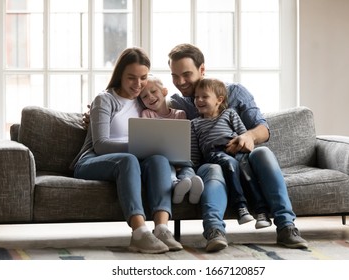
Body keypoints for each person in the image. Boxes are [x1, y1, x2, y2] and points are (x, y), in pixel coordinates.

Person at [167, 43, 308, 252]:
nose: (180, 82)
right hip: (209, 163)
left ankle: (286, 226)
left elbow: (263, 130)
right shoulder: (176, 104)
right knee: (214, 169)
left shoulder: (235, 92)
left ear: (202, 70)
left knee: (263, 153)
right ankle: (214, 231)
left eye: (186, 74)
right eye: (174, 76)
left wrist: (248, 136)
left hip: (241, 156)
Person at [72, 47, 183, 254]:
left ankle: (161, 229)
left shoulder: (143, 101)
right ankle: (139, 233)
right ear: (120, 75)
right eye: (131, 78)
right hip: (93, 160)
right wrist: (140, 147)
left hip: (132, 159)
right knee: (129, 159)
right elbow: (101, 145)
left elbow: (167, 109)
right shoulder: (105, 99)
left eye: (143, 77)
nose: (138, 84)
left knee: (159, 159)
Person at [190, 77, 272, 229]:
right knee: (230, 163)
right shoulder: (194, 123)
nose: (199, 100)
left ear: (219, 100)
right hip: (214, 154)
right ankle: (240, 207)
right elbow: (195, 152)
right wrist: (193, 168)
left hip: (236, 149)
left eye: (204, 96)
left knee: (248, 173)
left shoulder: (230, 114)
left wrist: (241, 146)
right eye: (196, 97)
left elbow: (244, 136)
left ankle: (262, 212)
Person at [138, 75, 204, 204]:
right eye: (144, 96)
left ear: (164, 92)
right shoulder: (146, 114)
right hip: (162, 160)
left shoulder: (180, 114)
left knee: (188, 169)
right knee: (169, 170)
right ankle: (176, 185)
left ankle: (192, 185)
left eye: (153, 91)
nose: (150, 97)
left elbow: (183, 138)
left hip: (179, 158)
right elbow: (146, 138)